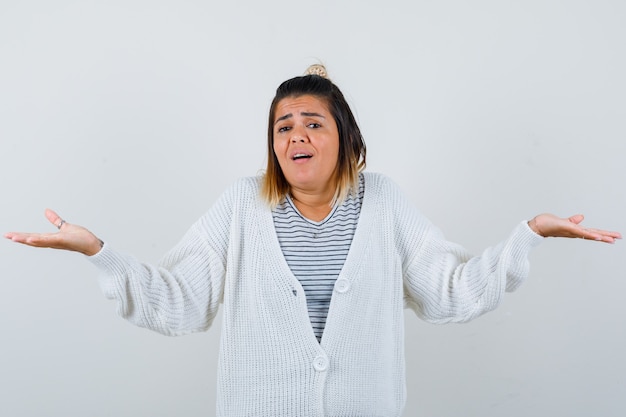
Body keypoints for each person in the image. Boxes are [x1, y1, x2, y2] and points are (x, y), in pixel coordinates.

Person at [5, 64, 621, 417]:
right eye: (283, 127)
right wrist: (98, 252)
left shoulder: (383, 202)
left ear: (344, 136)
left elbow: (449, 290)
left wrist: (529, 234)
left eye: (313, 123)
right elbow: (180, 299)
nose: (295, 136)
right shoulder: (242, 205)